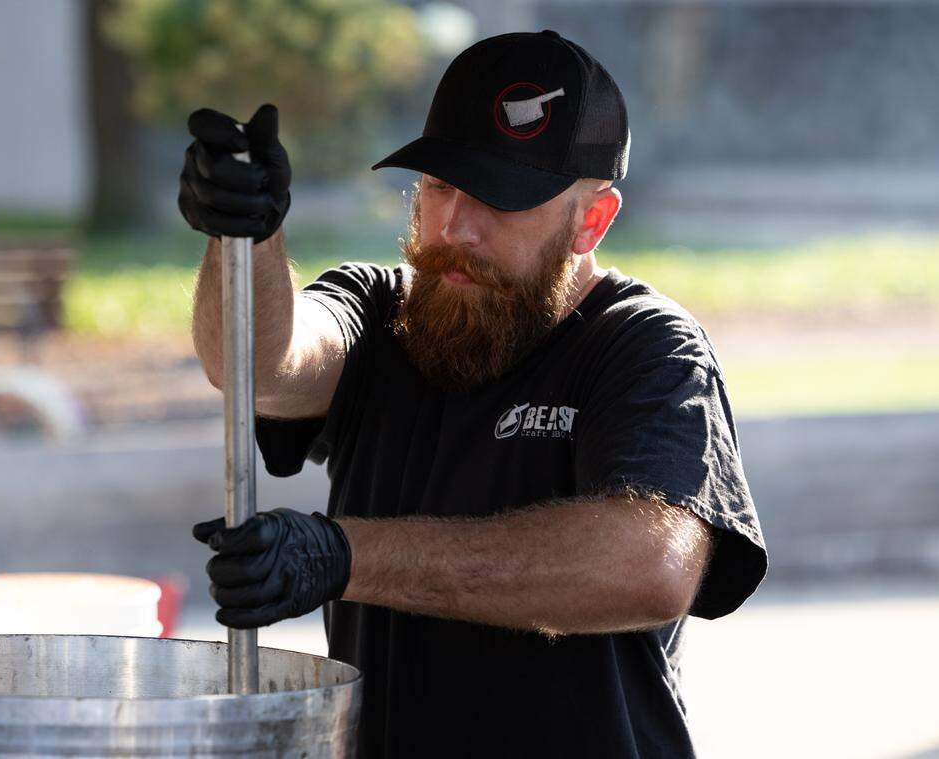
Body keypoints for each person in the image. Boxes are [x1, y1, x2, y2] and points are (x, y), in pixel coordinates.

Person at [180, 30, 767, 758]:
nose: (454, 227)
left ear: (592, 220)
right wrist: (246, 237)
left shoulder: (645, 345)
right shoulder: (380, 311)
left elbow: (649, 566)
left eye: (500, 197)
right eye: (438, 186)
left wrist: (346, 555)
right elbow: (259, 366)